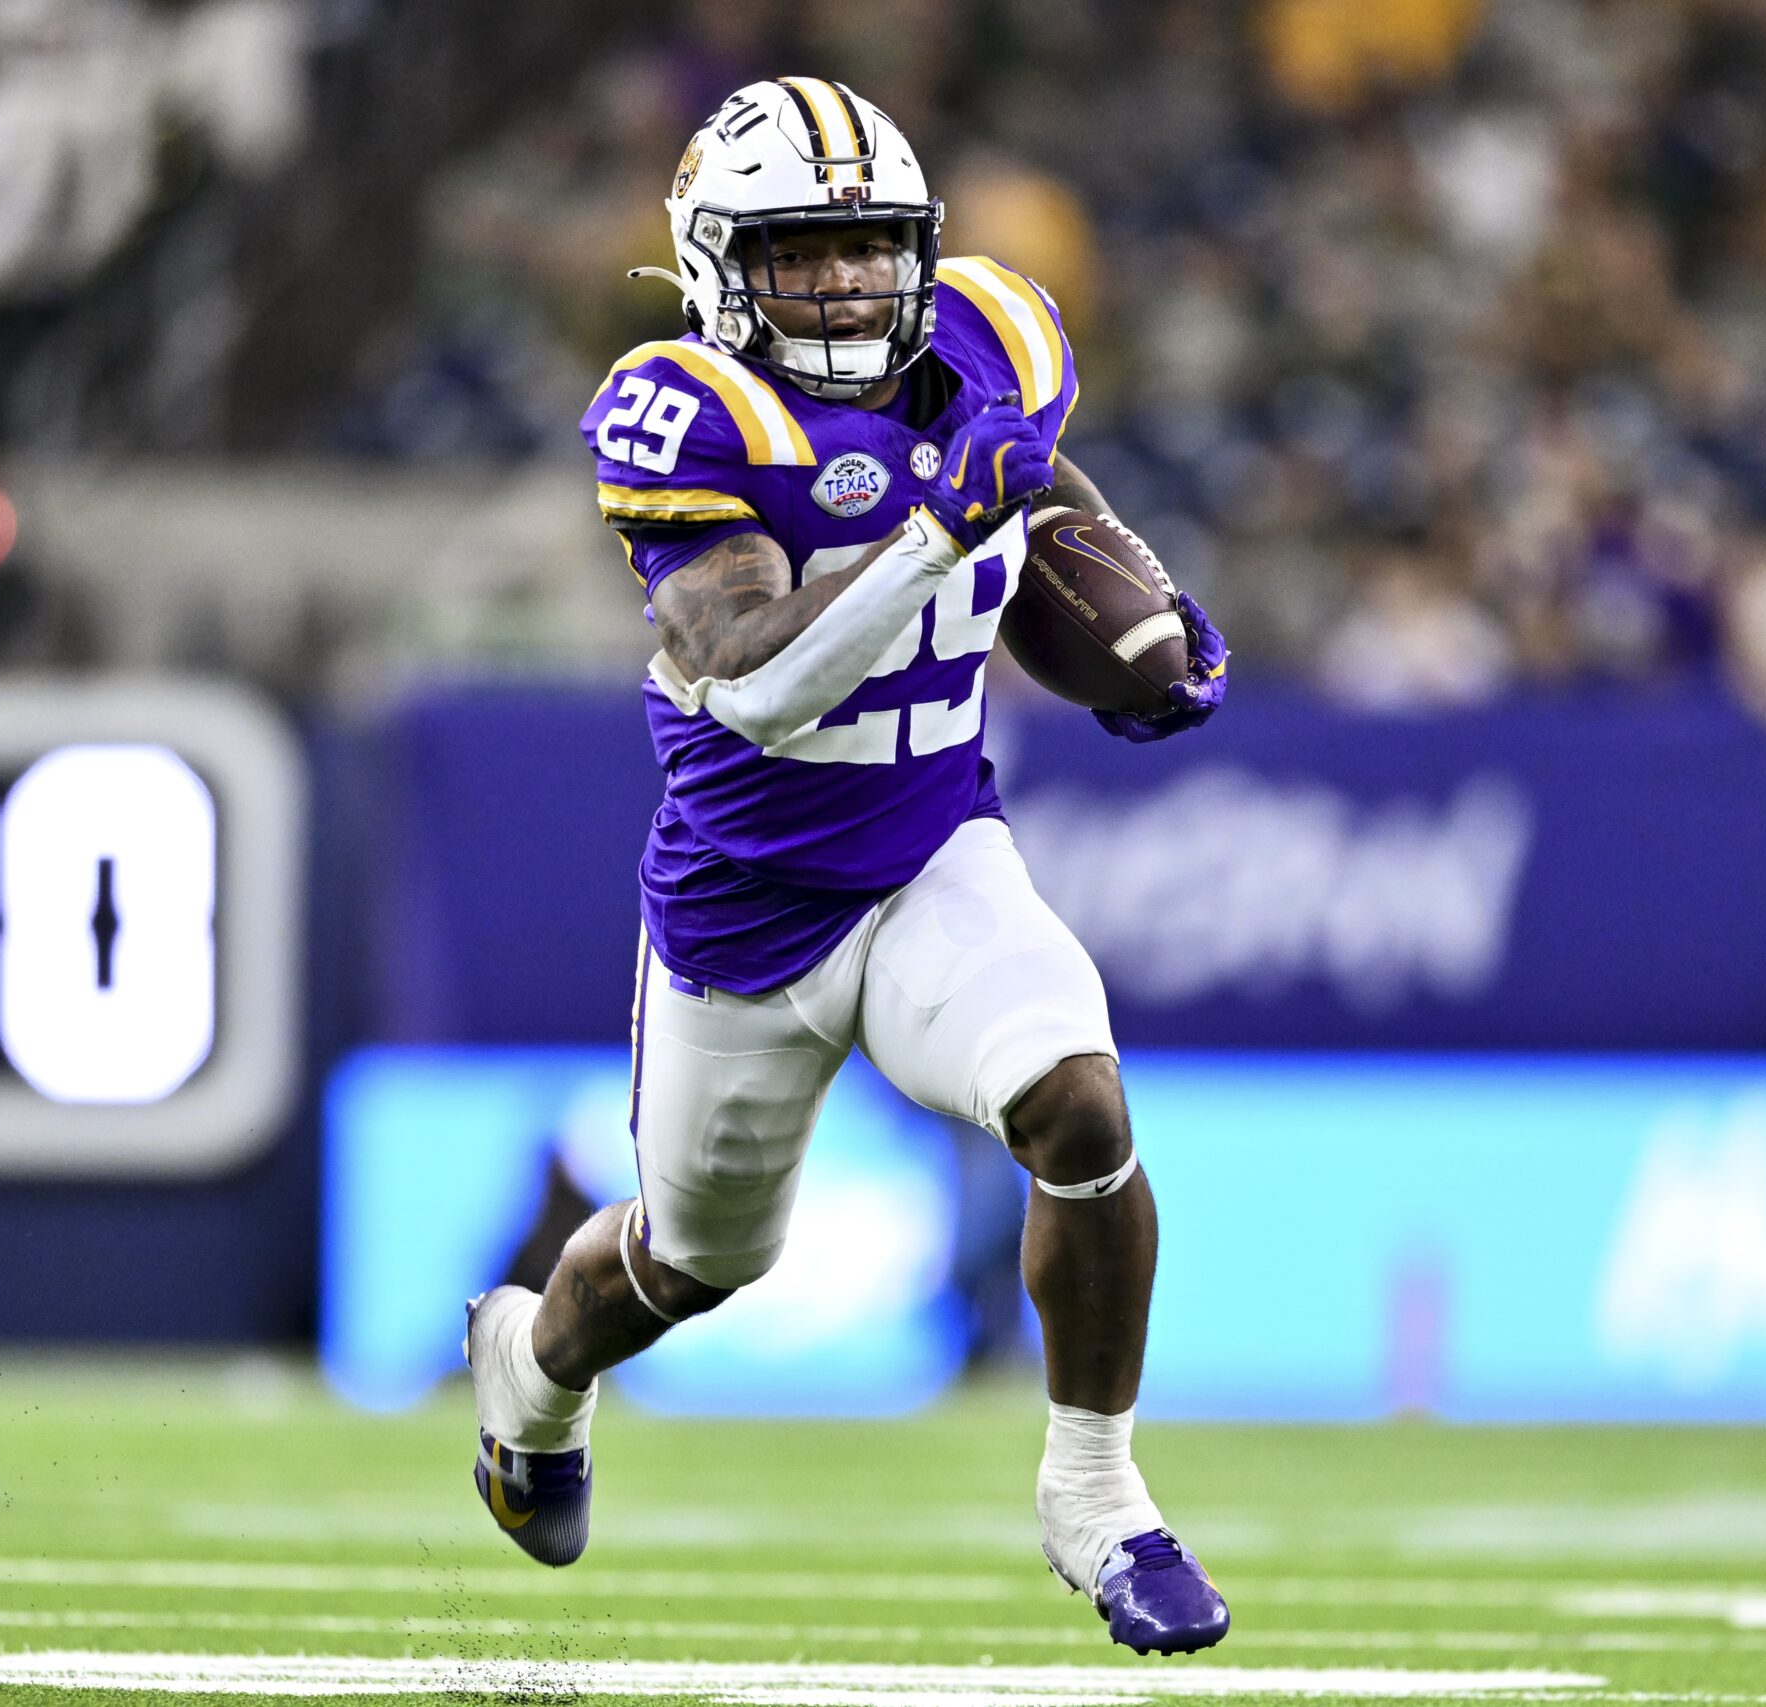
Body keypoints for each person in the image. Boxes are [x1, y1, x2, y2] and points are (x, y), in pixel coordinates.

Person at [461, 78, 1231, 1656]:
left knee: (1078, 1105)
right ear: (719, 264)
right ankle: (531, 1380)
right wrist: (935, 542)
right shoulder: (683, 412)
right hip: (747, 911)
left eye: (871, 249)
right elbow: (749, 672)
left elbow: (1031, 486)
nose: (846, 284)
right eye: (802, 254)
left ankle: (1096, 1495)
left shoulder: (992, 332)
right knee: (692, 1263)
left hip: (935, 847)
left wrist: (1137, 608)